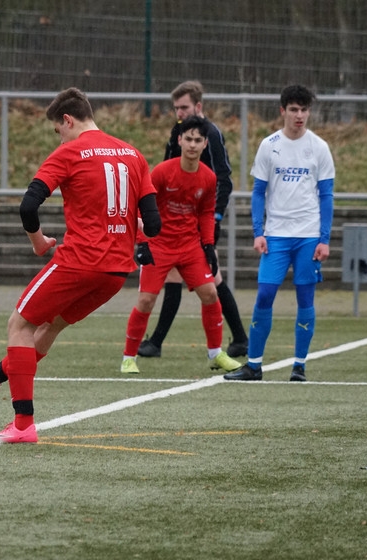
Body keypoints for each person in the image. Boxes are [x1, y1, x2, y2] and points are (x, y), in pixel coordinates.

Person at [0, 87, 160, 444]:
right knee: (50, 327)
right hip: (116, 273)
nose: (60, 137)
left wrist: (40, 242)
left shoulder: (70, 152)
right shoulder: (133, 154)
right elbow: (154, 224)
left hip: (79, 261)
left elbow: (28, 206)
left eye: (58, 130)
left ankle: (23, 424)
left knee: (19, 325)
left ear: (67, 120)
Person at [224, 84, 335, 383]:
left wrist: (324, 238)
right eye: (294, 110)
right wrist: (259, 232)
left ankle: (299, 366)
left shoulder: (319, 147)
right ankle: (254, 366)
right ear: (282, 111)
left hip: (308, 235)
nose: (300, 115)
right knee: (265, 295)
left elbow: (326, 195)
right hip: (276, 236)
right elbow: (258, 192)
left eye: (304, 110)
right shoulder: (268, 145)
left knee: (305, 298)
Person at [137, 80, 250, 359]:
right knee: (177, 278)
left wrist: (216, 216)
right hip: (176, 221)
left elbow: (223, 178)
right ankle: (157, 342)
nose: (180, 113)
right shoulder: (177, 134)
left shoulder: (209, 133)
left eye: (184, 107)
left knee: (213, 282)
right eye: (176, 108)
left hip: (200, 220)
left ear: (198, 107)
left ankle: (239, 338)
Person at [120, 117, 243, 375]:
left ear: (205, 143)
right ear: (179, 140)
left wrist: (208, 247)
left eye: (198, 140)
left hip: (189, 247)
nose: (192, 144)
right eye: (188, 139)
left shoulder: (208, 178)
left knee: (210, 293)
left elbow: (207, 213)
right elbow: (144, 205)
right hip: (160, 245)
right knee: (146, 300)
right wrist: (142, 242)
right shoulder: (163, 172)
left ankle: (216, 353)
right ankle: (129, 357)